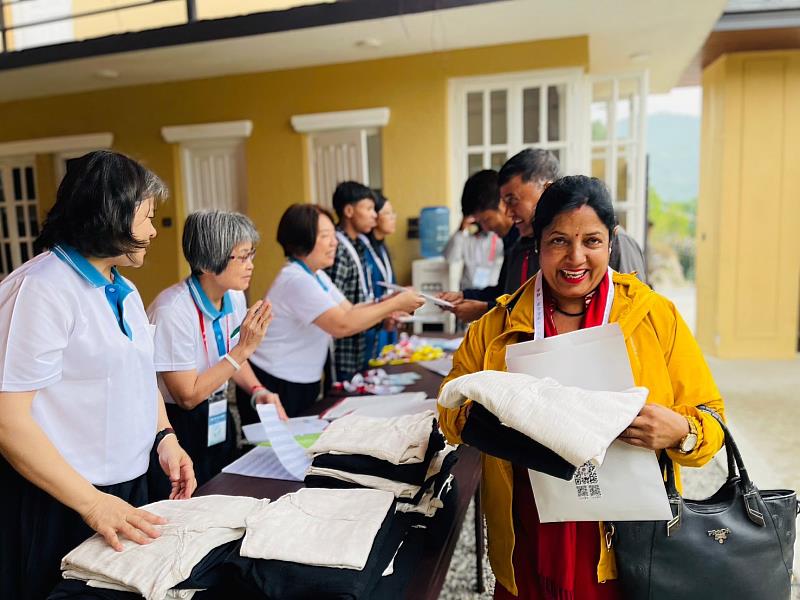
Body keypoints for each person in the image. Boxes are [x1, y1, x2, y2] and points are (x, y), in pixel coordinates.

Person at [438, 175, 725, 600]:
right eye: (558, 241)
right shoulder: (497, 327)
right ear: (537, 244)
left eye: (591, 241)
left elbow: (712, 420)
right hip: (528, 538)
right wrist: (495, 412)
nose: (576, 257)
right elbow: (449, 414)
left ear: (610, 242)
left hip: (626, 548)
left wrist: (682, 433)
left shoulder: (653, 317)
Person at [0, 151, 196, 600]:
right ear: (109, 216)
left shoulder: (122, 288)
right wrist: (91, 503)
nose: (151, 231)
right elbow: (8, 420)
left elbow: (138, 378)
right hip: (62, 502)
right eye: (146, 218)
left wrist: (164, 438)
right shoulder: (41, 289)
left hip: (126, 490)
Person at [148, 210, 287, 495]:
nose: (251, 265)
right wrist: (243, 349)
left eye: (252, 255)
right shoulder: (173, 310)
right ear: (210, 261)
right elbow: (187, 396)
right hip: (178, 426)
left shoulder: (233, 296)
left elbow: (229, 356)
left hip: (218, 411)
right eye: (243, 257)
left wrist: (257, 389)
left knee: (222, 489)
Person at [248, 204, 424, 416]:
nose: (334, 243)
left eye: (333, 235)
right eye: (325, 236)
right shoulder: (296, 280)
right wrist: (395, 304)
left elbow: (350, 309)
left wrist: (391, 300)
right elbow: (342, 324)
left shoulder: (315, 274)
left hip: (301, 378)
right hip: (277, 380)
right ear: (304, 240)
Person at [325, 181, 378, 381]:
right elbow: (333, 306)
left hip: (360, 345)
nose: (375, 215)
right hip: (343, 352)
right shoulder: (338, 248)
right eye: (369, 208)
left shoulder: (359, 244)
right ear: (348, 210)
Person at [360, 190, 400, 362]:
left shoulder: (382, 248)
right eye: (388, 213)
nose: (393, 217)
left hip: (387, 323)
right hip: (371, 325)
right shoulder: (363, 250)